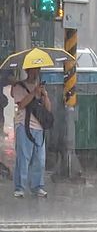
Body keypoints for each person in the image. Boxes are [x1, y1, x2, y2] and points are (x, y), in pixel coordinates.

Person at [11, 64, 51, 198]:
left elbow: (48, 109)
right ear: (27, 71)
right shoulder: (19, 86)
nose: (36, 73)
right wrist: (33, 93)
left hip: (39, 128)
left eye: (38, 70)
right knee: (23, 158)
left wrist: (44, 95)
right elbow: (21, 104)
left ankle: (37, 186)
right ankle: (19, 187)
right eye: (33, 70)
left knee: (39, 159)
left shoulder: (40, 87)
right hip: (24, 126)